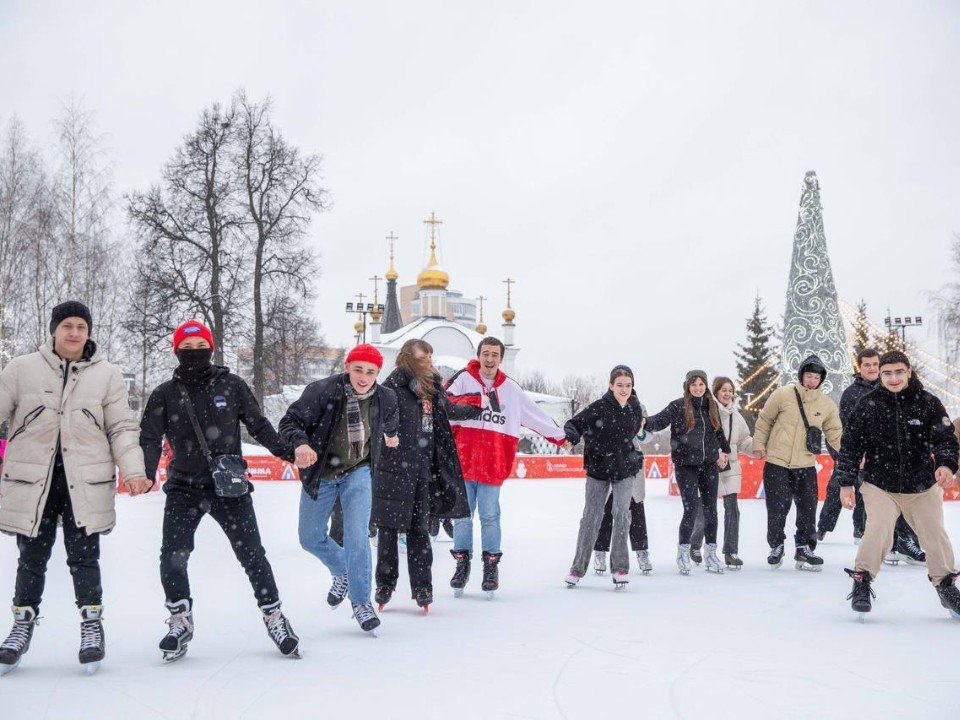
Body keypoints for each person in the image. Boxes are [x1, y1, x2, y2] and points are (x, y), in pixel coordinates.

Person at [0, 301, 150, 673]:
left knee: (84, 556)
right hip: (35, 481)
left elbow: (122, 427)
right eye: (67, 325)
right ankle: (21, 625)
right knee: (31, 557)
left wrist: (133, 470)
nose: (74, 333)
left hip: (84, 481)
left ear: (88, 331)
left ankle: (91, 625)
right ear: (54, 329)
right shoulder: (21, 370)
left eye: (81, 326)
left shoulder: (107, 375)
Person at [139, 320, 300, 662]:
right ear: (176, 351)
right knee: (173, 555)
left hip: (229, 488)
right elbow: (149, 436)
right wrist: (147, 471)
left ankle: (274, 616)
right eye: (188, 347)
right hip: (183, 487)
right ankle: (180, 619)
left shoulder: (232, 386)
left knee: (252, 555)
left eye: (201, 346)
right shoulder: (164, 394)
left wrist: (288, 452)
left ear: (211, 348)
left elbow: (259, 425)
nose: (195, 352)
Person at [280, 343, 399, 633]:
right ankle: (341, 571)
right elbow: (289, 422)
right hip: (321, 472)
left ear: (377, 373)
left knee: (358, 535)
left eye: (370, 372)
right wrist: (301, 442)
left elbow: (392, 418)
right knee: (310, 538)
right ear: (347, 367)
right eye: (358, 369)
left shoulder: (385, 397)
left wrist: (392, 434)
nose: (363, 377)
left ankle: (361, 601)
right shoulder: (322, 391)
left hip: (358, 471)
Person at [837, 350, 960, 618]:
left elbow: (945, 439)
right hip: (880, 484)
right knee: (878, 528)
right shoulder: (868, 405)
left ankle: (946, 586)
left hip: (922, 485)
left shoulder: (928, 402)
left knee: (934, 534)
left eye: (899, 372)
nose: (893, 378)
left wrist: (946, 464)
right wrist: (846, 483)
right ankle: (862, 581)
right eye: (887, 373)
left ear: (908, 372)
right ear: (879, 375)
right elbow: (850, 446)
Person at [444, 337, 566, 596]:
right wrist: (476, 400)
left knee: (490, 517)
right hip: (462, 464)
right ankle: (462, 564)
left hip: (492, 465)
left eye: (494, 355)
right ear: (479, 355)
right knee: (462, 518)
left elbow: (536, 416)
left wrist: (561, 437)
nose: (489, 359)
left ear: (500, 358)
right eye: (485, 354)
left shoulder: (511, 389)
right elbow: (444, 404)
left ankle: (490, 567)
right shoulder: (462, 379)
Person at [373, 340, 474, 612]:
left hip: (422, 470)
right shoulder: (392, 387)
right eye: (423, 357)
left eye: (430, 355)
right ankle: (385, 584)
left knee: (420, 530)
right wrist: (390, 433)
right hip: (394, 469)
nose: (429, 361)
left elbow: (449, 410)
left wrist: (477, 408)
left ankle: (422, 587)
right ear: (408, 359)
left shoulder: (431, 387)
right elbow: (381, 418)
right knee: (389, 530)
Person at [817, 348, 925, 564]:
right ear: (860, 367)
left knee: (899, 498)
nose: (872, 368)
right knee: (862, 499)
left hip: (892, 458)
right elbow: (846, 430)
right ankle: (841, 531)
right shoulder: (851, 394)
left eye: (875, 364)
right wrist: (855, 455)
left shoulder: (889, 386)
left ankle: (901, 542)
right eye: (867, 365)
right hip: (864, 458)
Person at [752, 354, 842, 571]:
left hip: (805, 464)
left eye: (816, 377)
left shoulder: (826, 404)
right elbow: (765, 420)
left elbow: (835, 433)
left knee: (808, 507)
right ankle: (776, 546)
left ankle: (804, 547)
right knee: (777, 507)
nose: (811, 380)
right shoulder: (782, 395)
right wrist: (758, 444)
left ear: (821, 380)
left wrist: (850, 455)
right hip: (777, 462)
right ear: (801, 376)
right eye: (808, 375)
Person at [563, 365, 646, 589]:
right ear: (611, 385)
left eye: (628, 386)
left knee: (621, 514)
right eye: (619, 385)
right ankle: (577, 568)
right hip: (598, 469)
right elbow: (574, 424)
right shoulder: (599, 408)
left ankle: (620, 568)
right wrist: (571, 436)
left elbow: (638, 432)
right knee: (591, 517)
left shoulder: (635, 408)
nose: (624, 389)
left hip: (625, 469)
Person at [646, 370, 730, 575]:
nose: (698, 388)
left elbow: (718, 432)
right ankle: (683, 552)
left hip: (709, 464)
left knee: (711, 510)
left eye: (701, 384)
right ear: (687, 386)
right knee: (691, 509)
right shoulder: (678, 406)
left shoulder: (711, 406)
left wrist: (725, 450)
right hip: (686, 466)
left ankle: (711, 553)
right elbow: (659, 421)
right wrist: (642, 421)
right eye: (694, 384)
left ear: (706, 386)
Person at [689, 376, 753, 569]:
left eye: (730, 390)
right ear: (716, 392)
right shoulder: (707, 412)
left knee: (732, 508)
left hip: (730, 467)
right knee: (706, 510)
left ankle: (731, 551)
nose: (727, 394)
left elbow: (744, 441)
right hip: (708, 465)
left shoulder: (737, 416)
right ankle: (694, 545)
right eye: (723, 390)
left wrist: (760, 448)